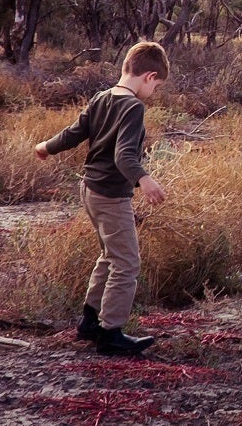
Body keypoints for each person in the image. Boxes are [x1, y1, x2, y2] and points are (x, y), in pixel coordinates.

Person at [34, 41, 169, 355]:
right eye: (157, 86)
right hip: (110, 195)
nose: (154, 92)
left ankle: (89, 321)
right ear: (149, 76)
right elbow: (125, 157)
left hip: (89, 190)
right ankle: (111, 333)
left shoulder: (101, 97)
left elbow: (74, 132)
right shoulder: (133, 107)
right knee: (127, 262)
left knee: (109, 255)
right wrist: (144, 179)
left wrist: (46, 146)